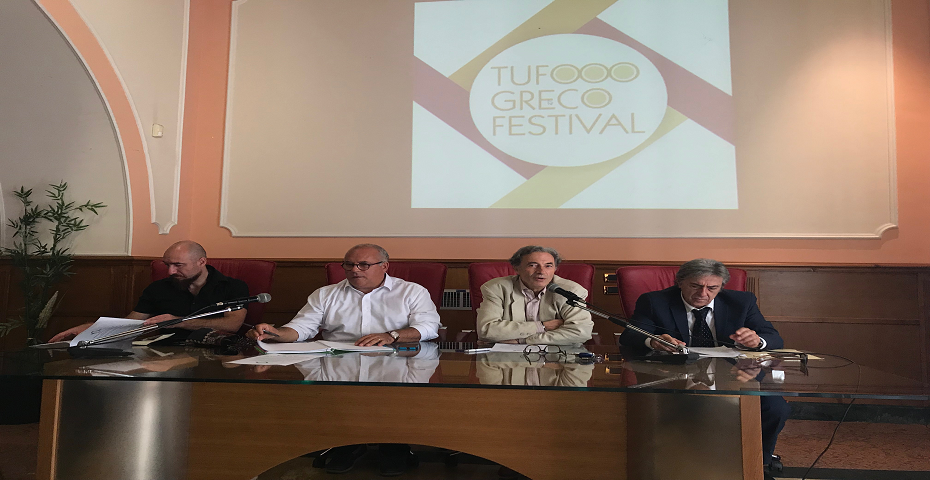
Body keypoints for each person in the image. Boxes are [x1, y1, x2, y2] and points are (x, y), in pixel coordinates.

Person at [247, 243, 440, 476]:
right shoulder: (326, 294)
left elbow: (429, 327)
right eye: (349, 265)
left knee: (396, 397)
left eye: (363, 265)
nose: (355, 270)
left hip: (397, 361)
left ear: (384, 266)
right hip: (338, 363)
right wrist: (275, 333)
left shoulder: (411, 291)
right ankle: (347, 445)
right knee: (330, 394)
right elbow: (301, 328)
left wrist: (392, 335)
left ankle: (393, 447)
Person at [618, 258, 789, 476]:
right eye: (695, 286)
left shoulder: (742, 302)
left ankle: (756, 463)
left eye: (712, 288)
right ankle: (665, 464)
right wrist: (653, 341)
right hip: (675, 375)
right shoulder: (654, 301)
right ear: (680, 282)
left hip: (733, 373)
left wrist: (757, 341)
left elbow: (774, 338)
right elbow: (629, 336)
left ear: (721, 287)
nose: (703, 293)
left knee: (776, 408)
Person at [49, 241, 248, 342]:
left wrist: (178, 321)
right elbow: (132, 322)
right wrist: (93, 328)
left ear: (201, 262)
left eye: (178, 265)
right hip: (165, 354)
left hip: (216, 353)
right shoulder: (159, 288)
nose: (171, 272)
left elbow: (232, 325)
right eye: (167, 265)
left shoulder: (232, 286)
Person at [476, 246, 593, 345]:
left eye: (548, 266)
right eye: (533, 265)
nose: (541, 271)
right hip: (506, 360)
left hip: (556, 358)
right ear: (517, 268)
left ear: (555, 269)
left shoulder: (570, 291)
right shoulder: (496, 289)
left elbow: (581, 332)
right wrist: (542, 326)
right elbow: (486, 330)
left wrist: (523, 340)